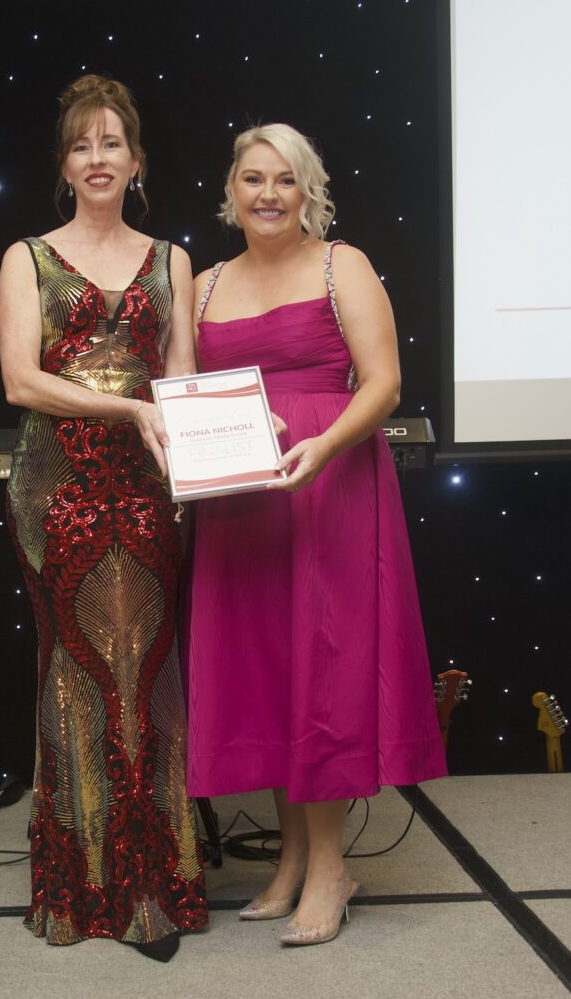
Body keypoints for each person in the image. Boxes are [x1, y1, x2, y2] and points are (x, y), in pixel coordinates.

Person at [187, 124, 447, 946]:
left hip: (330, 485)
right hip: (243, 499)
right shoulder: (203, 283)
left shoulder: (345, 265)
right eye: (252, 178)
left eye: (285, 181)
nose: (267, 194)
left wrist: (322, 444)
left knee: (324, 671)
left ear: (309, 191)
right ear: (231, 190)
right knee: (267, 670)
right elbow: (188, 392)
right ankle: (293, 859)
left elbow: (385, 384)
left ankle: (331, 868)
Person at [0, 74, 207, 962]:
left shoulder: (172, 260)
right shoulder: (27, 258)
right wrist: (128, 412)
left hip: (152, 493)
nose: (97, 158)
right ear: (64, 164)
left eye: (112, 144)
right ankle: (79, 888)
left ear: (136, 162)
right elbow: (20, 381)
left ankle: (156, 883)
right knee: (77, 675)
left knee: (151, 678)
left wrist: (229, 437)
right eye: (83, 145)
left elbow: (187, 384)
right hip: (62, 492)